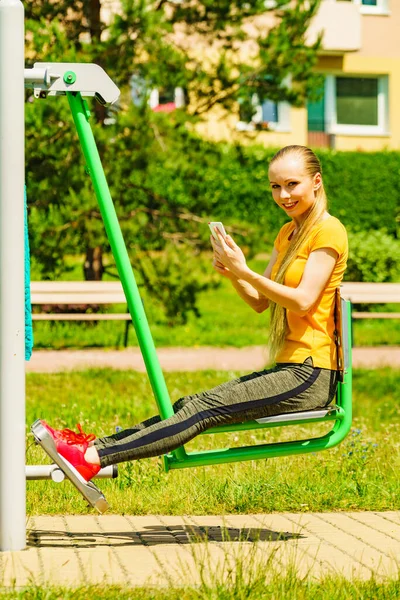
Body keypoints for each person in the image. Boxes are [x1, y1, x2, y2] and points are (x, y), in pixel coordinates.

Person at [39, 144, 348, 482]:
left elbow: (303, 301)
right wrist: (233, 273)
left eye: (292, 184)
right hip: (292, 368)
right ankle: (90, 448)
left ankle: (89, 458)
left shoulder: (328, 231)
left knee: (202, 409)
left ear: (316, 182)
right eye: (275, 186)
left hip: (310, 374)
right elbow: (261, 302)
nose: (283, 195)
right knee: (191, 403)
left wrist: (244, 271)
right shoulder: (288, 232)